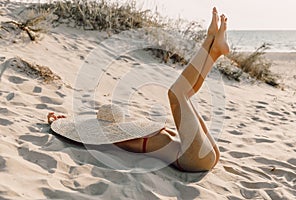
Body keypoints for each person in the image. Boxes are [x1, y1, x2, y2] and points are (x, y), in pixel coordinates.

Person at [48, 7, 229, 172]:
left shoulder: (132, 131)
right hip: (192, 159)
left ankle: (213, 49)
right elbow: (87, 138)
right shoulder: (120, 141)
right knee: (176, 94)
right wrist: (69, 126)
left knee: (186, 95)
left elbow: (86, 132)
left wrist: (71, 123)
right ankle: (210, 46)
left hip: (201, 154)